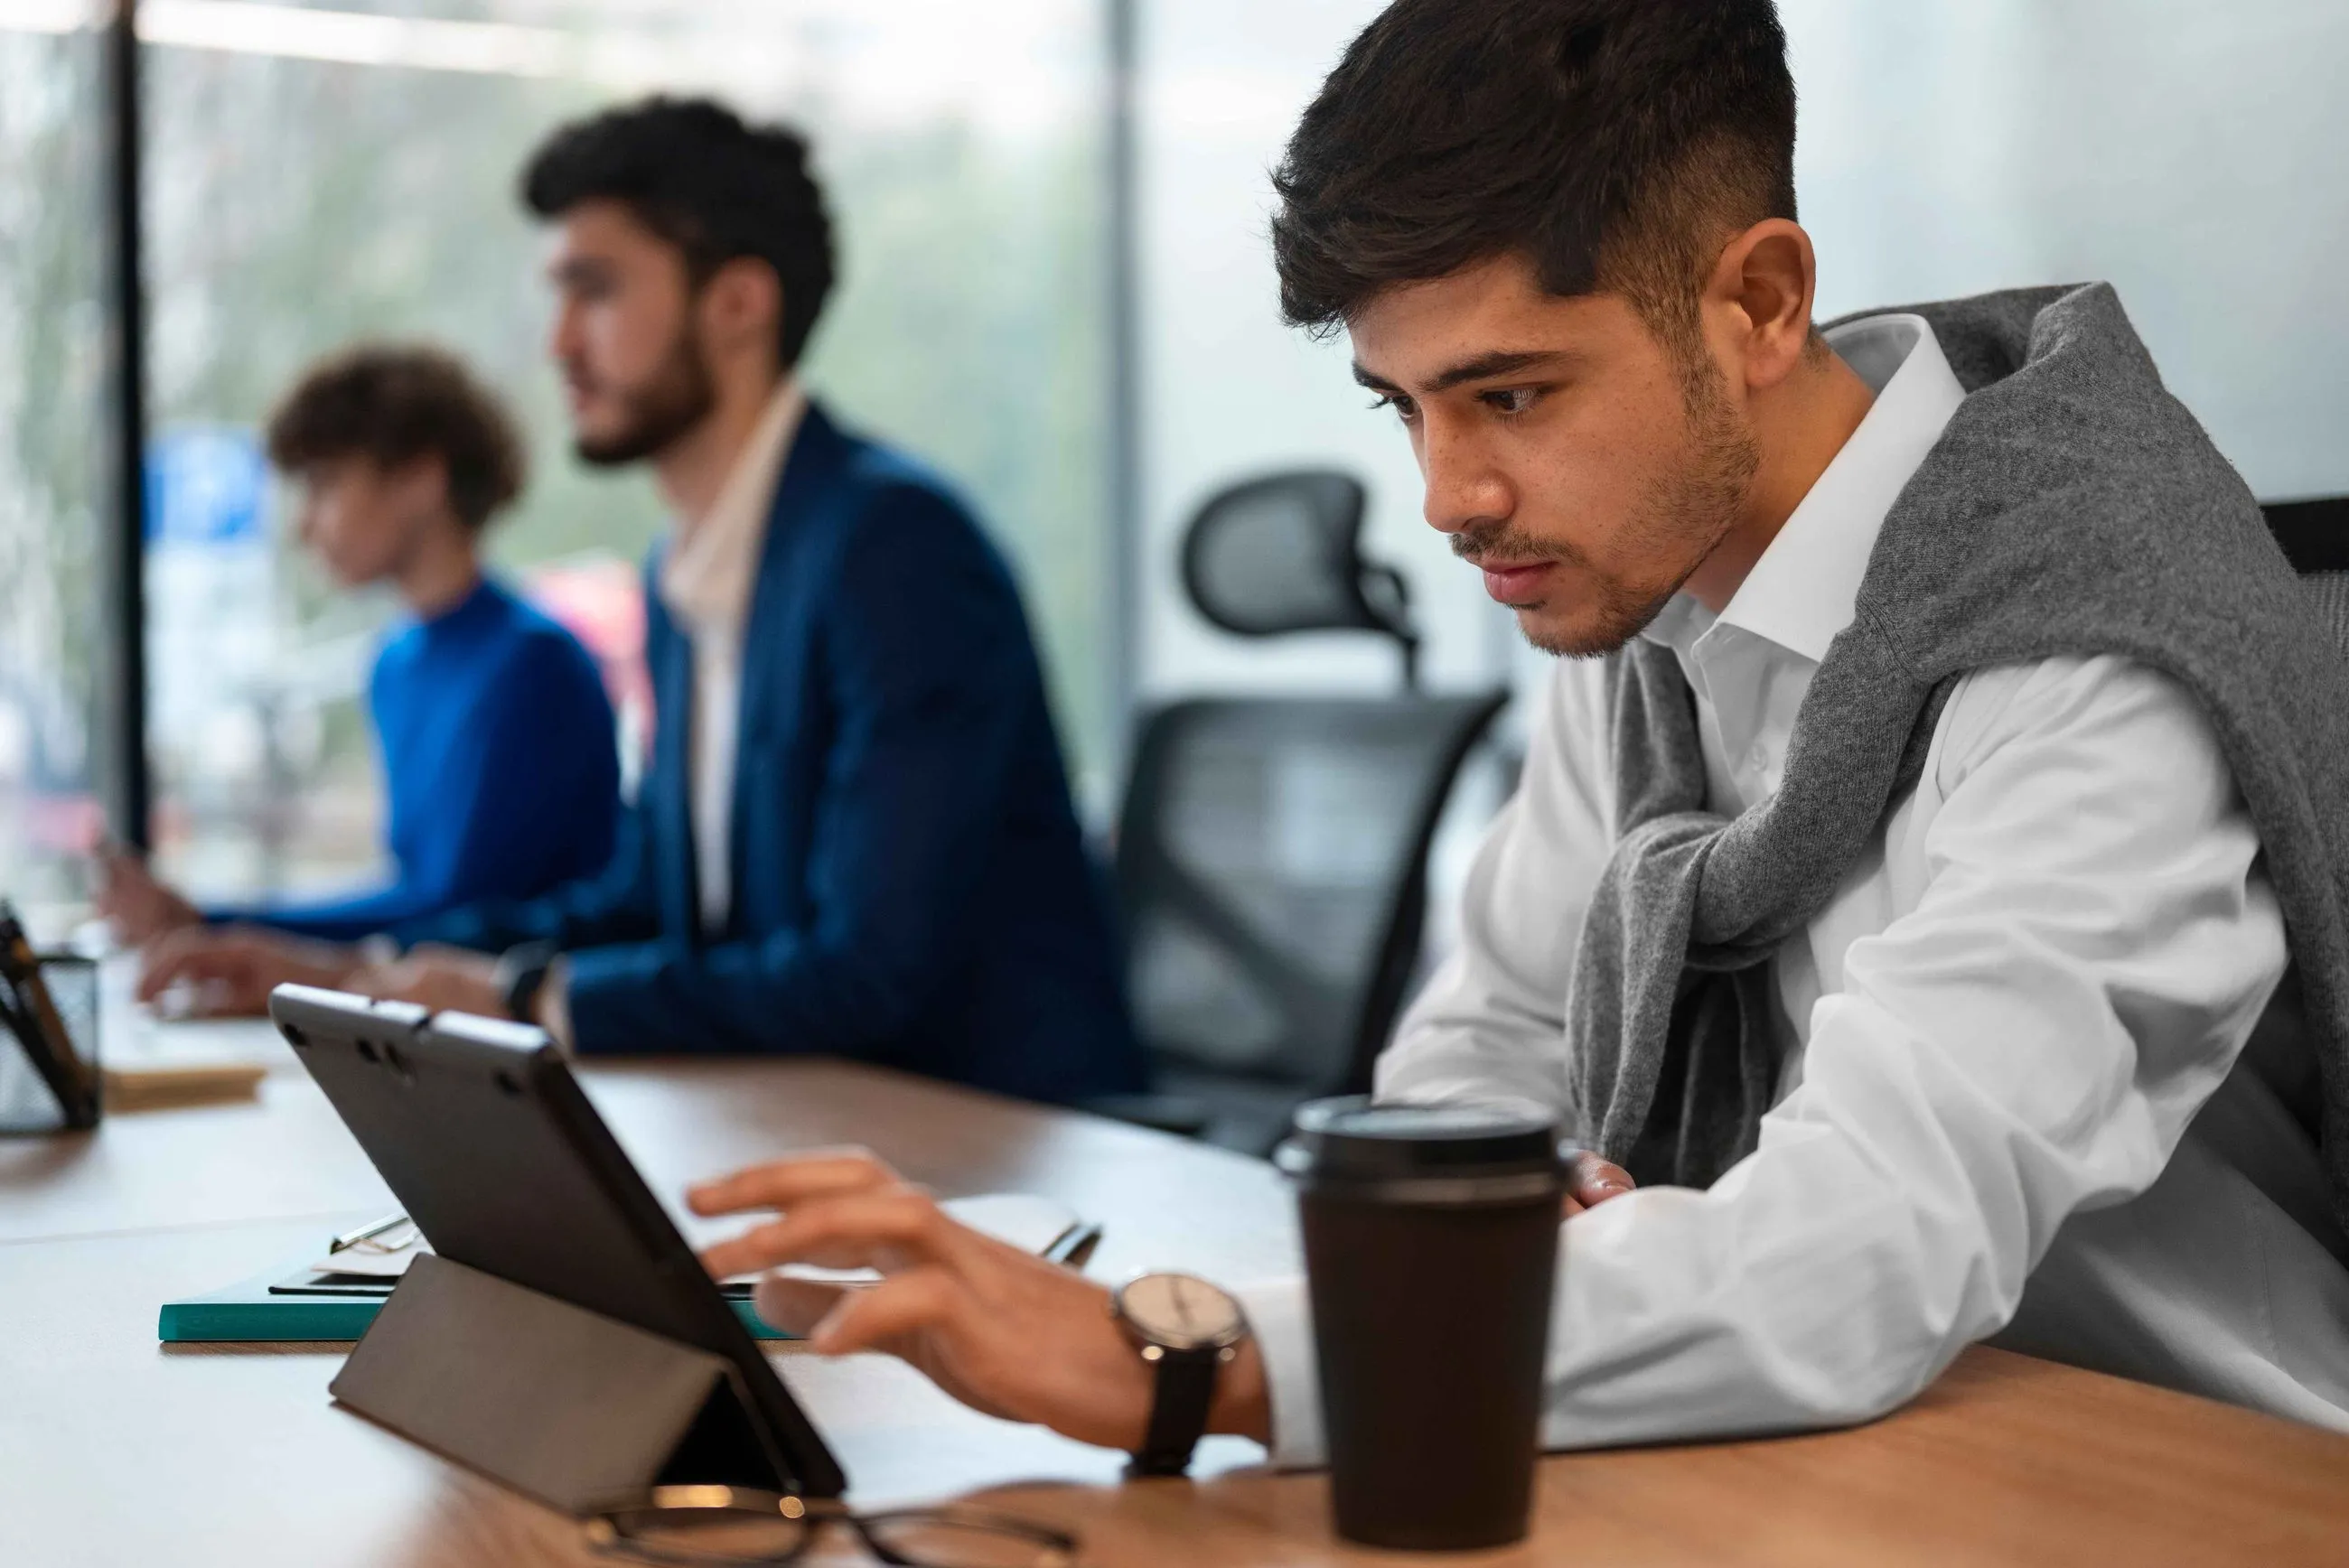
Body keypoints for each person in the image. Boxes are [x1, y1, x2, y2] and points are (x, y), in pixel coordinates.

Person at [682, 0, 2349, 1475]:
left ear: (1758, 302)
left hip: (2172, 1470)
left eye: (1513, 395)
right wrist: (1495, 1200)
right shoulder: (1643, 590)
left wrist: (1177, 1357)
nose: (1449, 499)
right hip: (1813, 1446)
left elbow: (1860, 1252)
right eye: (1403, 406)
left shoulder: (2091, 651)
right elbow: (1480, 1047)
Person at [138, 98, 1143, 1107]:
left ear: (739, 303)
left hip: (993, 1142)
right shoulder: (686, 573)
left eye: (597, 291)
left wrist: (520, 996)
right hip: (801, 1115)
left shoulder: (892, 551)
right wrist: (359, 965)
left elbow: (863, 972)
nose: (559, 342)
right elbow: (650, 899)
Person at [98, 344, 620, 947]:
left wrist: (217, 926)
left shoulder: (534, 666)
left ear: (420, 481)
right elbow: (419, 894)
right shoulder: (395, 666)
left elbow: (458, 911)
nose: (303, 526)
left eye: (324, 485)